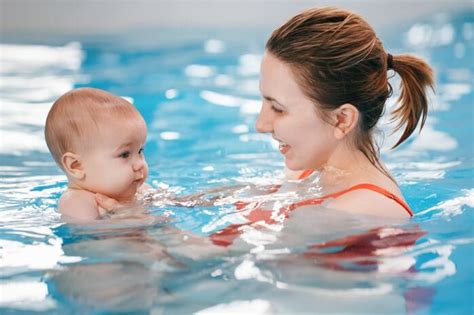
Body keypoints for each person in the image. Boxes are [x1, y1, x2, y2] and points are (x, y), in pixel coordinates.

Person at [97, 7, 434, 246]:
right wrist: (150, 201)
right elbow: (243, 202)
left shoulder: (363, 211)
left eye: (278, 108)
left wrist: (137, 226)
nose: (261, 124)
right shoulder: (317, 169)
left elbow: (212, 260)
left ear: (342, 119)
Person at [45, 87, 151, 222]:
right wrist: (127, 217)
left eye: (140, 151)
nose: (139, 164)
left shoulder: (138, 189)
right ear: (76, 166)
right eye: (124, 154)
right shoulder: (77, 202)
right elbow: (93, 239)